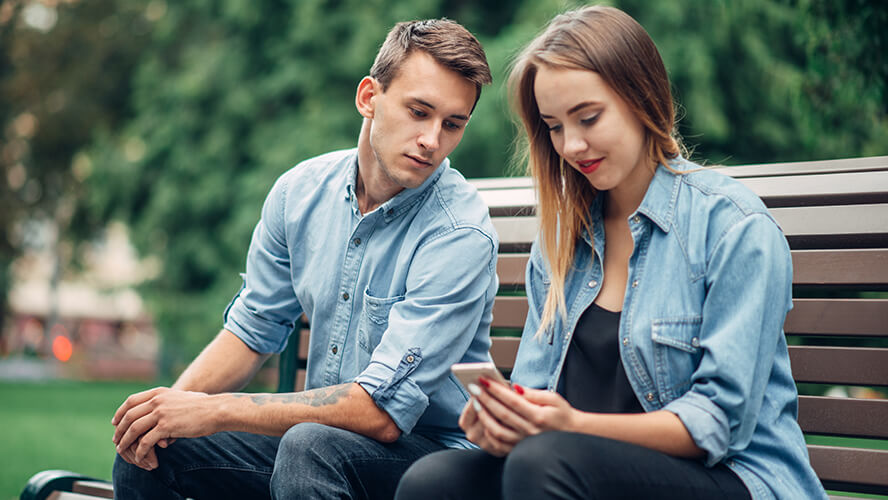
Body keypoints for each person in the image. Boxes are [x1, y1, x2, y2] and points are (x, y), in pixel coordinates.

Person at [395, 6, 826, 500]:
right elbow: (539, 394)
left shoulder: (732, 227)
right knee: (434, 483)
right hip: (580, 468)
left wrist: (573, 424)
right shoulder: (563, 242)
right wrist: (506, 422)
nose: (572, 145)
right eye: (555, 127)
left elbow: (718, 424)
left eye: (588, 117)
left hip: (731, 478)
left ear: (642, 98)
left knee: (544, 465)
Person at [111, 18, 498, 499]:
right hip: (319, 448)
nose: (432, 140)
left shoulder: (458, 233)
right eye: (419, 112)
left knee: (309, 446)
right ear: (368, 98)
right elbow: (252, 331)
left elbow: (381, 414)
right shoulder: (300, 193)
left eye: (452, 124)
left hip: (432, 461)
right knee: (152, 448)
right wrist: (168, 411)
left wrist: (217, 410)